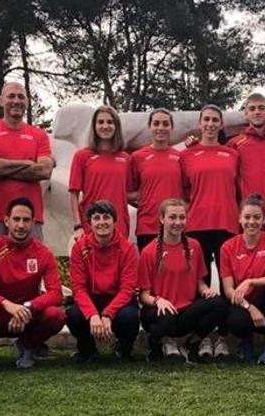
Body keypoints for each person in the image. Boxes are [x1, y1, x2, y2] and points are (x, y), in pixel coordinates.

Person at [0, 197, 65, 371]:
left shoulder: (43, 253)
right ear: (6, 221)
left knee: (57, 315)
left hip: (26, 317)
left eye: (26, 220)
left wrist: (28, 307)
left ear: (33, 223)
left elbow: (56, 293)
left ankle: (27, 345)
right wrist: (5, 304)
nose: (20, 225)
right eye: (16, 219)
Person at [137, 199, 228, 364]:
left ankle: (192, 343)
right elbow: (144, 295)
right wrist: (158, 301)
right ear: (162, 219)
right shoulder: (149, 252)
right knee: (167, 318)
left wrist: (206, 290)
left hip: (185, 312)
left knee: (220, 303)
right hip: (160, 313)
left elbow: (200, 282)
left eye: (182, 217)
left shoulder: (195, 246)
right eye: (172, 217)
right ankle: (155, 344)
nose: (177, 222)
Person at [180, 105, 239, 357]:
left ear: (221, 124)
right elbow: (183, 192)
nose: (211, 124)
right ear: (200, 123)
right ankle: (199, 336)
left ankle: (223, 337)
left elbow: (239, 190)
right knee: (196, 286)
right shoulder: (187, 155)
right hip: (197, 227)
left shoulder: (232, 154)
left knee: (228, 284)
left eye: (215, 120)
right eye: (207, 119)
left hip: (227, 225)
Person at [0, 82, 53, 244]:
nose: (16, 101)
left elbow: (45, 171)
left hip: (31, 217)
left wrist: (2, 167)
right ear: (1, 100)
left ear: (27, 102)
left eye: (21, 97)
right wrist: (27, 163)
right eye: (11, 96)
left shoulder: (39, 135)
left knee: (33, 268)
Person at [66, 200, 140, 362]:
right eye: (96, 218)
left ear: (114, 222)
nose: (102, 222)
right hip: (91, 300)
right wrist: (93, 315)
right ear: (90, 223)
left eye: (106, 217)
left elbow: (127, 289)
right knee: (74, 315)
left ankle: (124, 349)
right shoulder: (79, 248)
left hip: (118, 302)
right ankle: (87, 350)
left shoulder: (127, 249)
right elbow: (78, 288)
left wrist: (107, 314)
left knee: (130, 316)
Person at [220, 195, 265, 366]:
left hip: (264, 299)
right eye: (247, 217)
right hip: (242, 303)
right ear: (240, 218)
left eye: (257, 217)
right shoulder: (228, 247)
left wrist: (250, 282)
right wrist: (250, 308)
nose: (252, 222)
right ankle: (246, 342)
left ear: (264, 219)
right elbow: (228, 290)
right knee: (235, 321)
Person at [226, 93, 265, 234]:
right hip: (249, 218)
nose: (257, 112)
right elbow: (230, 179)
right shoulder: (235, 144)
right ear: (246, 114)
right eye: (252, 109)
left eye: (261, 108)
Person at [69, 105, 133, 238]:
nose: (105, 126)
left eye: (110, 122)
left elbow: (129, 193)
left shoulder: (126, 158)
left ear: (116, 126)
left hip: (119, 225)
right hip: (91, 224)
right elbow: (73, 194)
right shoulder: (82, 156)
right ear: (94, 126)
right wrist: (77, 225)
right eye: (100, 122)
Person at [131, 108, 184, 251]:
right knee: (149, 272)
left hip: (175, 227)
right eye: (156, 123)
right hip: (147, 227)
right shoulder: (137, 157)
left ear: (171, 127)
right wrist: (142, 196)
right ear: (149, 126)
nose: (161, 128)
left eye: (165, 124)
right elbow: (127, 192)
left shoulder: (180, 157)